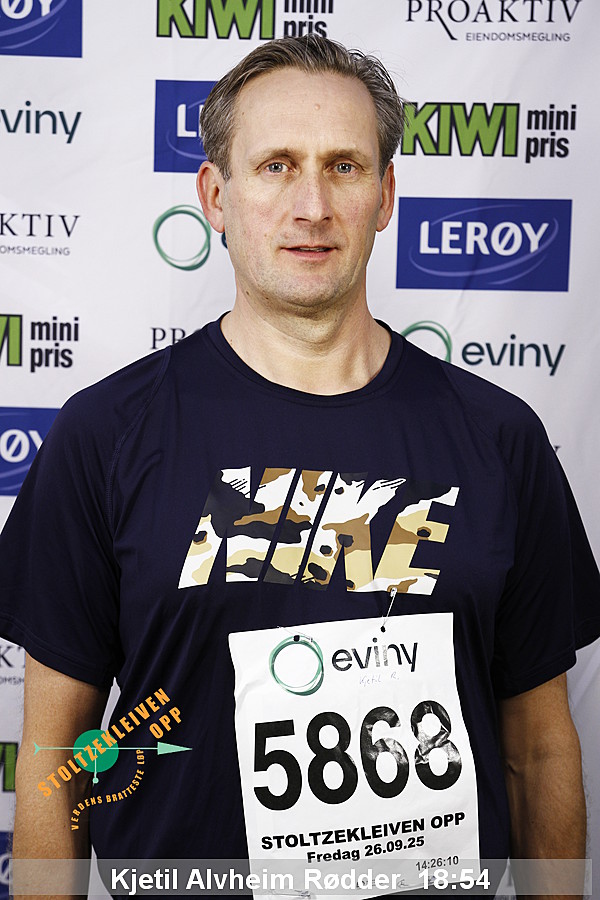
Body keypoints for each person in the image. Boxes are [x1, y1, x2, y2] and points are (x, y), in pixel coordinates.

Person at [1, 34, 599, 900]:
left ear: (385, 196)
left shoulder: (500, 439)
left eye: (344, 167)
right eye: (276, 166)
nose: (311, 205)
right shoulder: (106, 435)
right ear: (216, 195)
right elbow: (56, 758)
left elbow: (539, 752)